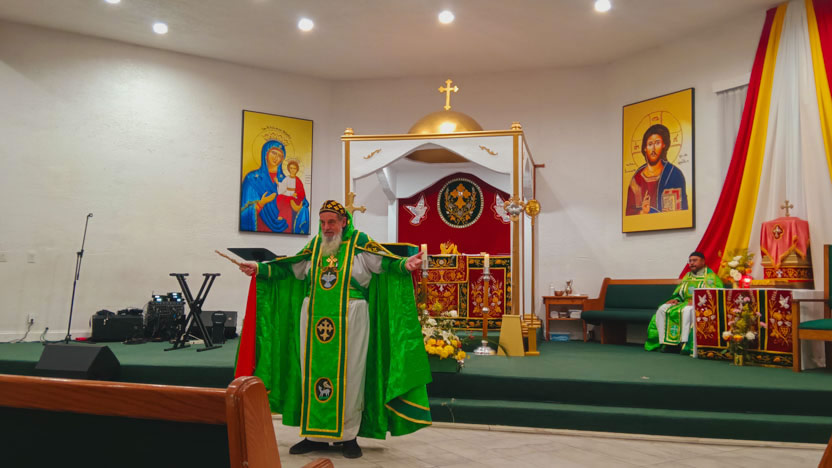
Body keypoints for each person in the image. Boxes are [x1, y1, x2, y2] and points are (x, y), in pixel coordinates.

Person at [235, 200, 431, 459]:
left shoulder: (360, 243)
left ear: (344, 222)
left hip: (352, 316)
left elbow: (385, 264)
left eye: (331, 222)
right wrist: (260, 268)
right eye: (323, 222)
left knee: (351, 375)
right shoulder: (315, 246)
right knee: (311, 372)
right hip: (313, 317)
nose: (326, 227)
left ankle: (348, 437)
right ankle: (313, 436)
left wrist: (404, 265)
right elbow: (290, 269)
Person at [645, 251, 723, 354]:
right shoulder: (687, 276)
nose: (692, 263)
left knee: (687, 311)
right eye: (690, 261)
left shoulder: (711, 277)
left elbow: (715, 294)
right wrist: (676, 299)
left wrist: (696, 301)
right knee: (663, 308)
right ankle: (665, 343)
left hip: (700, 305)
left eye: (695, 260)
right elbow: (679, 292)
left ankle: (683, 344)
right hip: (684, 303)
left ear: (703, 262)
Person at [625, 124, 688, 215]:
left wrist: (671, 214)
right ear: (645, 148)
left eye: (657, 143)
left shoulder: (674, 174)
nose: (653, 149)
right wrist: (643, 212)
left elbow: (683, 212)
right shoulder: (637, 179)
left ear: (663, 145)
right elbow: (629, 215)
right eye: (650, 144)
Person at [240, 140, 288, 232]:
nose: (276, 157)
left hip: (284, 226)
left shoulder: (286, 180)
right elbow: (243, 212)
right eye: (274, 153)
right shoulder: (252, 178)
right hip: (259, 226)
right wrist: (261, 203)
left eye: (280, 156)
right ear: (265, 154)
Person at [275, 159, 310, 234]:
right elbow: (282, 190)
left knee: (289, 200)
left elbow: (301, 192)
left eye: (294, 168)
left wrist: (296, 194)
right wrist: (278, 183)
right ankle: (283, 216)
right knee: (281, 198)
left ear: (297, 170)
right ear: (288, 169)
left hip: (296, 198)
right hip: (287, 195)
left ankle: (284, 217)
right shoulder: (286, 179)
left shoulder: (298, 180)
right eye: (291, 168)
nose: (292, 170)